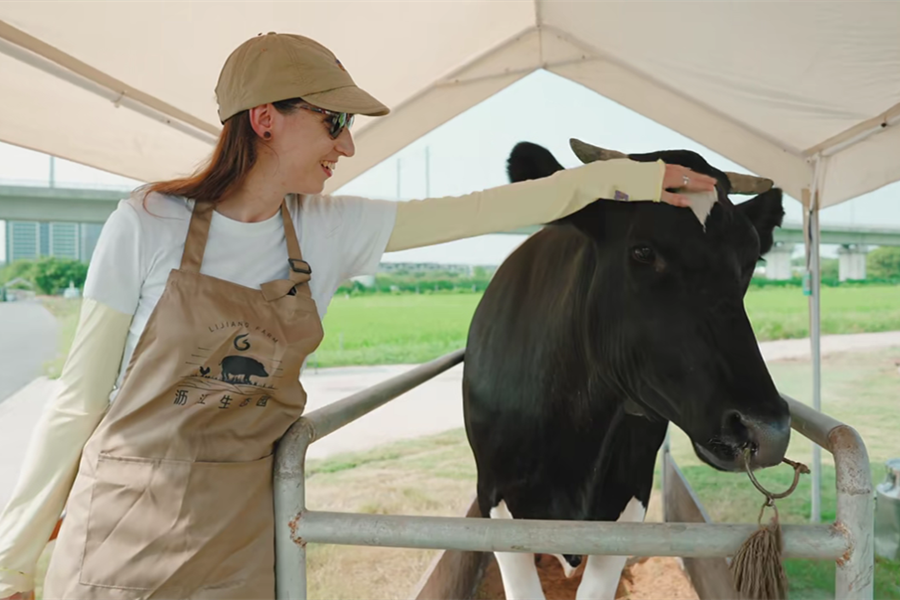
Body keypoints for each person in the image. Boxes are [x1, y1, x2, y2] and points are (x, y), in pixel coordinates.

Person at [0, 32, 716, 600]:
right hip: (117, 540)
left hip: (241, 550)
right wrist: (14, 563)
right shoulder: (146, 223)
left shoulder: (326, 231)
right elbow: (78, 401)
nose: (346, 144)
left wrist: (638, 178)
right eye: (333, 121)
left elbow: (488, 210)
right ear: (265, 120)